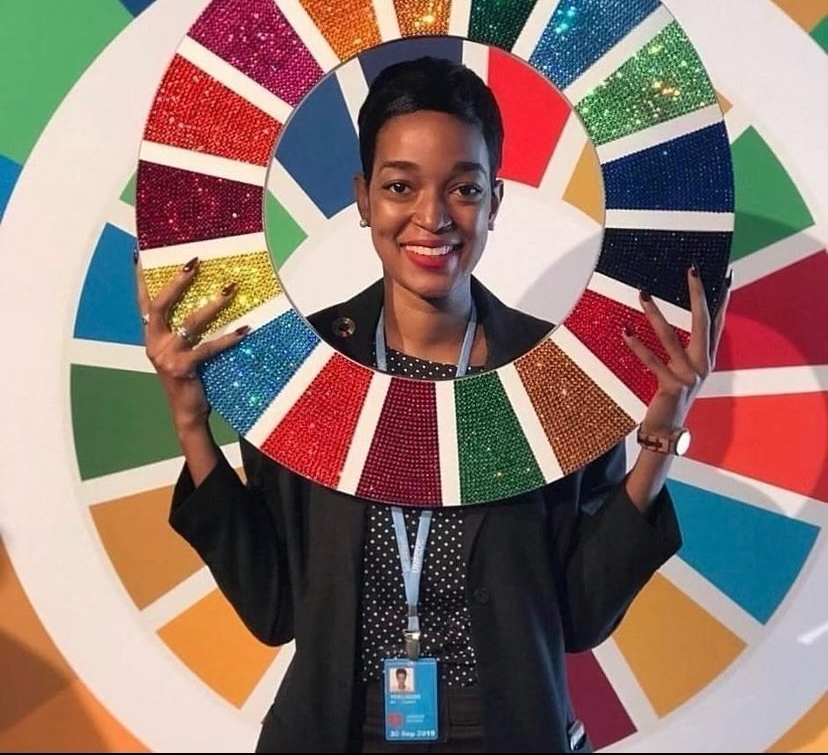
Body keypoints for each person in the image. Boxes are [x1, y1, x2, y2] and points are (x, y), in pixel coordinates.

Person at [136, 57, 730, 753]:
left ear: (495, 202)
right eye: (400, 186)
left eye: (464, 189)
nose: (432, 217)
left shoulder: (559, 372)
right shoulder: (302, 365)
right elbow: (272, 607)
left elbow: (581, 616)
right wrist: (190, 421)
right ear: (363, 199)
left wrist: (659, 435)